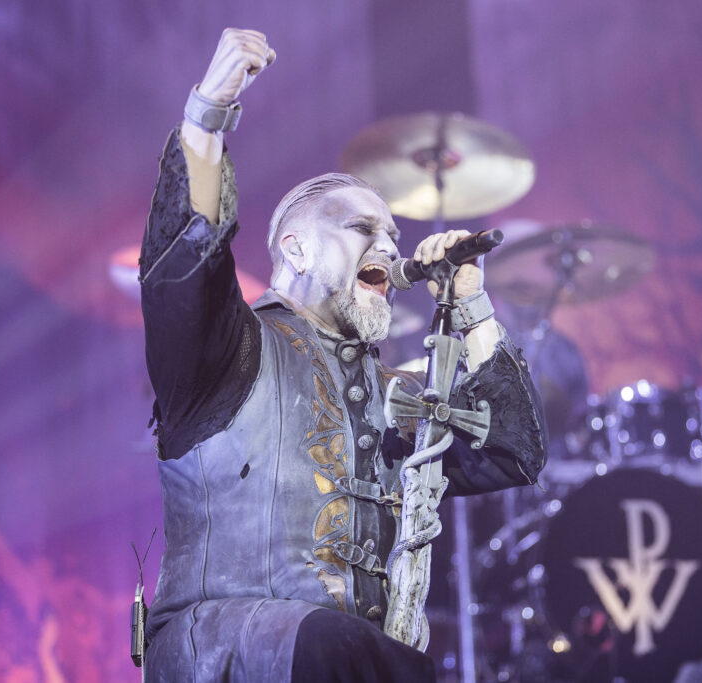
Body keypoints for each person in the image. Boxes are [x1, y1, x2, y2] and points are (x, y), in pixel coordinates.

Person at [137, 28, 548, 682]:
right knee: (341, 646)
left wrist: (470, 303)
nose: (387, 244)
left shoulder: (394, 394)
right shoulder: (231, 348)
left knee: (383, 657)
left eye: (392, 232)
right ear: (296, 249)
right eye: (363, 229)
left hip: (346, 659)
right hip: (221, 651)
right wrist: (206, 116)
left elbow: (514, 451)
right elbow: (184, 262)